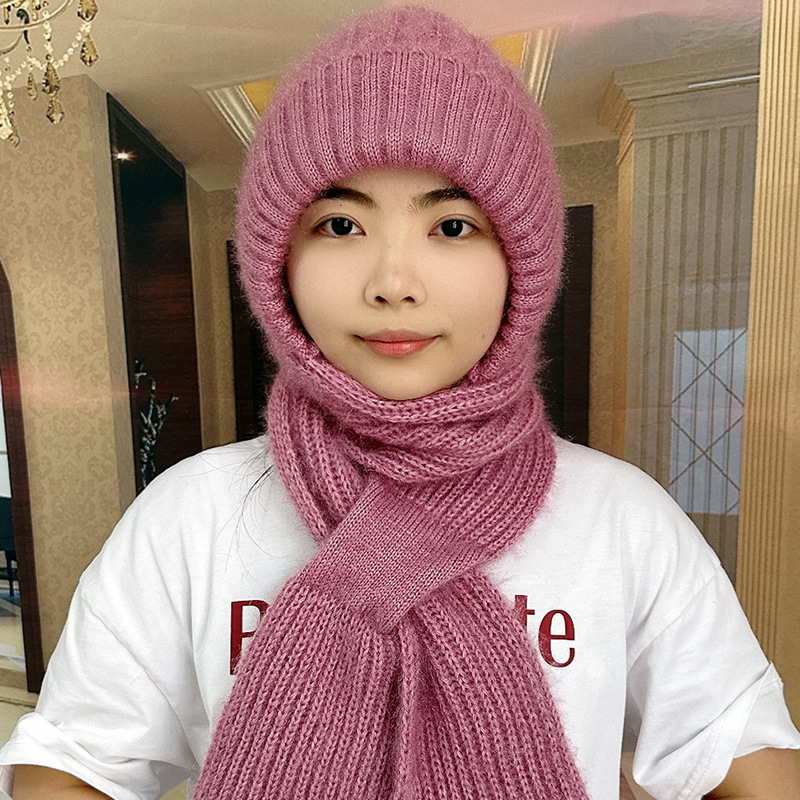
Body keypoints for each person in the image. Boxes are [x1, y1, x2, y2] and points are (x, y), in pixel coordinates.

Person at [3, 7, 800, 800]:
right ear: (278, 264)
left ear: (521, 263)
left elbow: (746, 758)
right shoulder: (190, 516)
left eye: (451, 225)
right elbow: (71, 763)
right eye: (340, 223)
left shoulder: (624, 520)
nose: (393, 281)